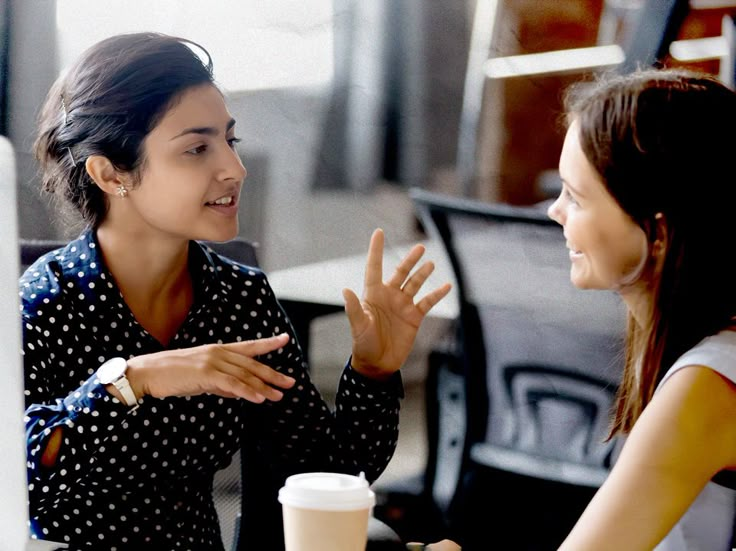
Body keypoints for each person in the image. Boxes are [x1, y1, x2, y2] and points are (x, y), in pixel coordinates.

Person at [21, 32, 451, 550]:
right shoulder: (44, 303)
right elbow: (21, 478)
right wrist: (134, 380)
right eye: (197, 148)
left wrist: (373, 371)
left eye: (230, 140)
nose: (234, 169)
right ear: (111, 173)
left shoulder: (237, 298)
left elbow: (326, 475)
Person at [424, 67, 736, 550]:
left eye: (576, 196)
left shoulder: (705, 386)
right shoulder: (699, 350)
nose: (555, 211)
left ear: (659, 233)